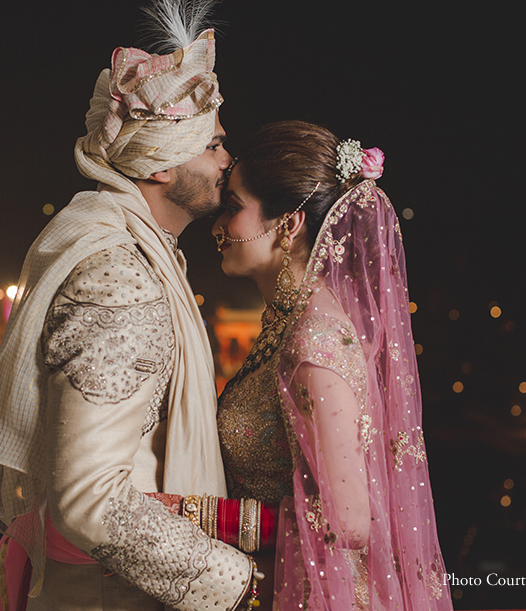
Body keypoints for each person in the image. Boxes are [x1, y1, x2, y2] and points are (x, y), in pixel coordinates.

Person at [0, 11, 257, 611]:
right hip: (111, 594)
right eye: (214, 144)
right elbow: (91, 499)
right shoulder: (119, 278)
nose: (228, 161)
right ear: (161, 164)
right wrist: (243, 586)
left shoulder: (140, 253)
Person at [188, 120, 453, 610]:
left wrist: (200, 516)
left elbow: (347, 520)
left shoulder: (314, 339)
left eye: (233, 208)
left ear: (288, 223)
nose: (217, 227)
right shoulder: (288, 321)